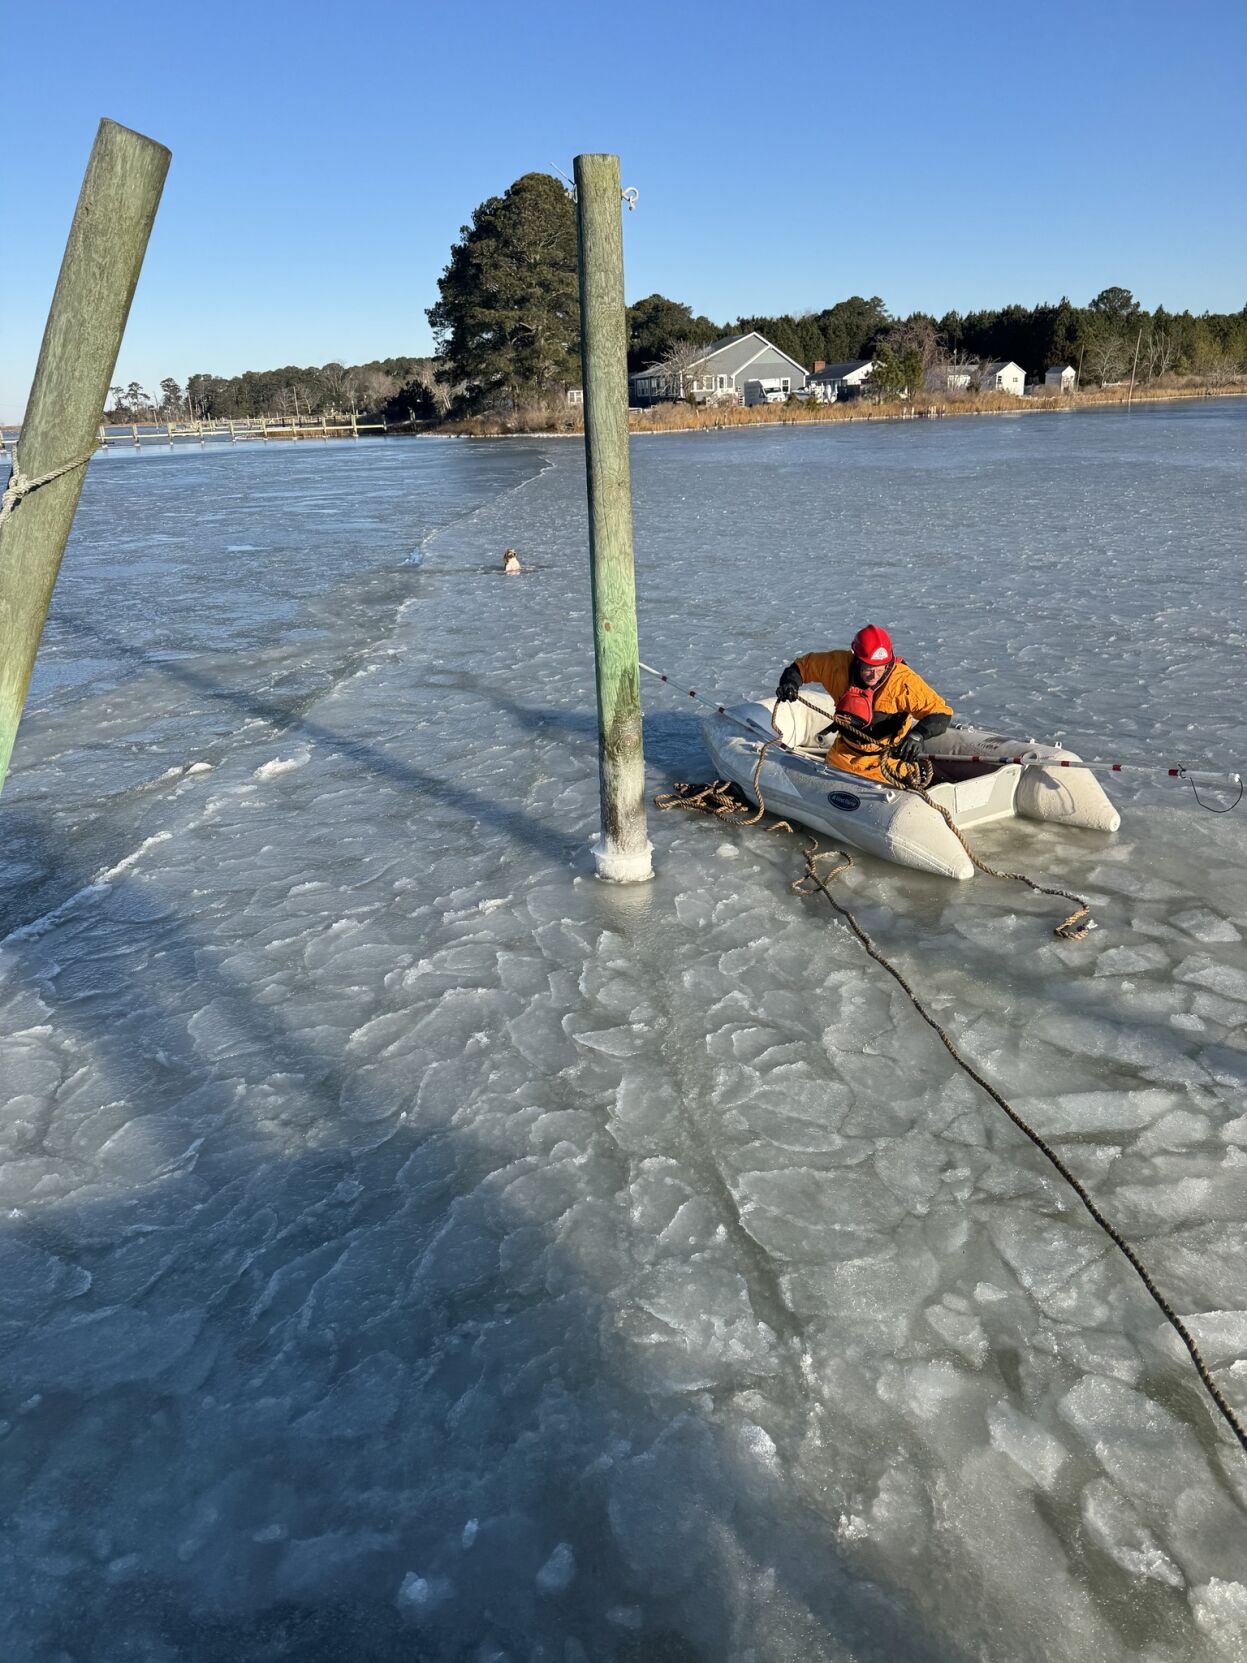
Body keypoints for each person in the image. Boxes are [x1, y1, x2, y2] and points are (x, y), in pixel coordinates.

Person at [774, 624, 952, 781]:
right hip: (843, 754)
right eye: (868, 668)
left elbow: (941, 713)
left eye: (880, 667)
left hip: (885, 761)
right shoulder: (837, 665)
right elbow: (802, 667)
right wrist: (789, 683)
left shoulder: (903, 681)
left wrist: (917, 735)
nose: (874, 675)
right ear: (856, 659)